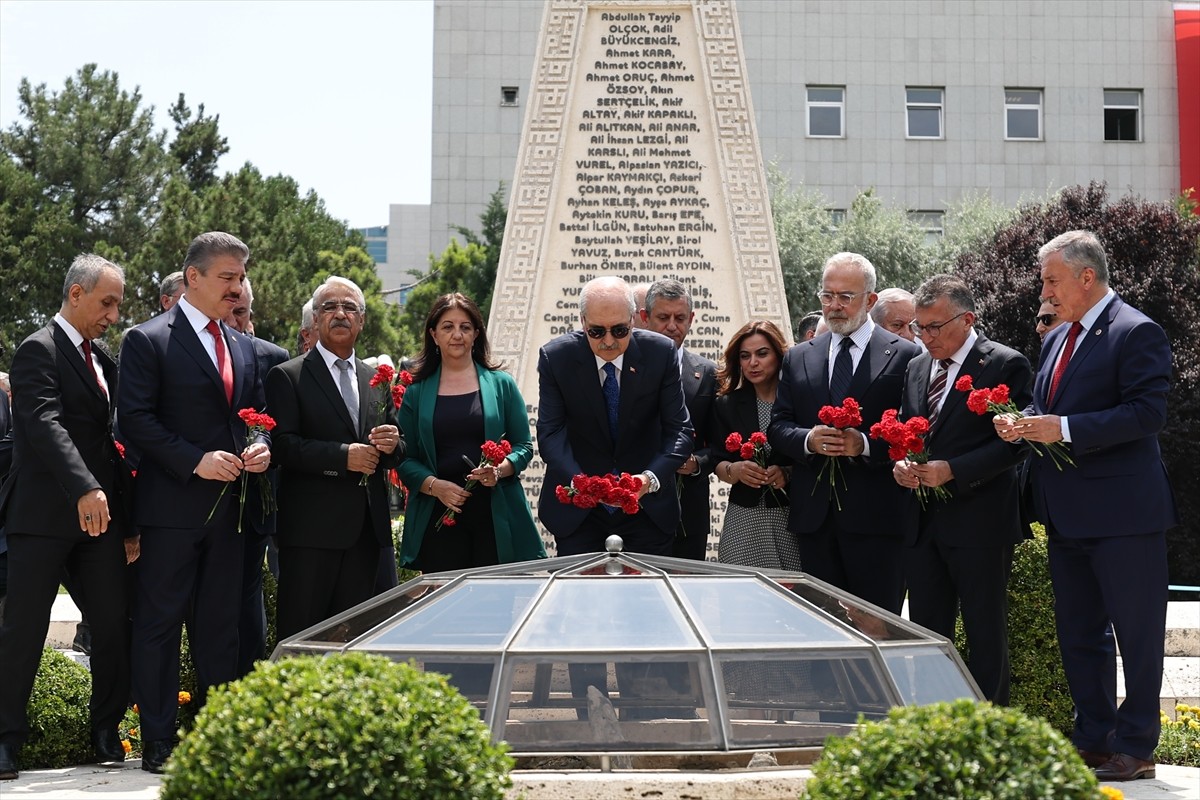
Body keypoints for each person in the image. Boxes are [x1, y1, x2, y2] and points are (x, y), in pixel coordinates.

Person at [994, 230, 1176, 781]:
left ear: (1086, 277)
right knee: (1079, 633)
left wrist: (1064, 428)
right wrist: (1023, 421)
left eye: (1051, 279)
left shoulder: (1136, 330)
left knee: (1137, 636)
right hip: (1066, 511)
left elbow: (1148, 414)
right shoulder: (1056, 338)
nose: (1044, 289)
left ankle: (1137, 746)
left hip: (1124, 516)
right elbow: (1052, 406)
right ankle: (1093, 740)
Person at [117, 231, 272, 773]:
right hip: (169, 512)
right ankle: (158, 741)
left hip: (231, 513)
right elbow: (134, 421)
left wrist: (259, 447)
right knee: (159, 625)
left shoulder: (244, 346)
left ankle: (215, 737)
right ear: (194, 278)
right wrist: (194, 460)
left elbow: (257, 416)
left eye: (241, 277)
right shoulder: (147, 339)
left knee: (220, 628)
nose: (238, 287)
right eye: (228, 277)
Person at [0, 255, 137, 780]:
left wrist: (131, 522)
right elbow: (43, 423)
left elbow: (112, 444)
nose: (113, 314)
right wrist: (85, 487)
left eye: (118, 304)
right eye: (107, 302)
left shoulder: (105, 361)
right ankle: (6, 741)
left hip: (101, 521)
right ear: (76, 294)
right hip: (41, 517)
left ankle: (106, 732)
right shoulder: (37, 349)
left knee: (110, 626)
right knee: (23, 631)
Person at [891, 275, 1031, 703]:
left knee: (985, 633)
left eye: (934, 327)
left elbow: (1018, 442)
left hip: (980, 521)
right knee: (929, 636)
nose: (924, 337)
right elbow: (905, 427)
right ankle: (937, 730)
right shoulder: (917, 365)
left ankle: (990, 733)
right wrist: (901, 463)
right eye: (918, 327)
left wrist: (953, 469)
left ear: (967, 319)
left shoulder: (1005, 364)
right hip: (923, 522)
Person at [768, 252, 920, 613]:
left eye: (845, 297)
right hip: (815, 519)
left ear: (870, 300)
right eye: (827, 296)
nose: (834, 306)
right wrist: (808, 439)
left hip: (878, 518)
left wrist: (864, 444)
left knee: (878, 624)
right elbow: (778, 426)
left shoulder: (906, 356)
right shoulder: (799, 356)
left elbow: (914, 430)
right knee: (823, 627)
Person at [266, 277, 404, 639]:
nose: (340, 314)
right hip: (311, 533)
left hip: (366, 534)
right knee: (304, 638)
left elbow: (397, 450)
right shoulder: (288, 376)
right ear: (314, 320)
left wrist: (393, 445)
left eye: (349, 308)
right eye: (329, 307)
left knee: (361, 638)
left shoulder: (377, 380)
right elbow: (282, 446)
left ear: (362, 320)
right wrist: (343, 457)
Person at [537, 276, 693, 556]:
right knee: (578, 598)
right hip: (580, 512)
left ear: (634, 320)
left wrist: (649, 479)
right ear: (583, 321)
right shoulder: (556, 358)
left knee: (648, 598)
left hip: (647, 510)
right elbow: (550, 433)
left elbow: (680, 430)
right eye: (597, 331)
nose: (609, 341)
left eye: (620, 330)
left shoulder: (660, 353)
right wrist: (581, 483)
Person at [397, 293, 544, 571]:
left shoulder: (502, 385)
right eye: (447, 327)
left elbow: (524, 446)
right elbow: (405, 458)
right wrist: (435, 486)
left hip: (494, 512)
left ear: (476, 334)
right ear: (434, 334)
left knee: (496, 606)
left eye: (465, 327)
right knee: (446, 608)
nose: (457, 335)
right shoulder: (415, 393)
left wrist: (499, 470)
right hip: (439, 512)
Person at [223, 276, 290, 677]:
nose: (233, 319)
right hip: (197, 503)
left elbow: (284, 429)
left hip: (256, 505)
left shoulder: (273, 357)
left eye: (242, 311)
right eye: (228, 309)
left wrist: (265, 447)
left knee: (250, 603)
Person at [710, 320, 797, 569]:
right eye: (745, 356)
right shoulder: (726, 404)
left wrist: (788, 473)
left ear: (779, 356)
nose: (753, 363)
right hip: (744, 517)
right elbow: (716, 459)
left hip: (791, 516)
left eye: (762, 353)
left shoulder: (798, 401)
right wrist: (734, 470)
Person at [641, 279, 717, 560]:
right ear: (645, 318)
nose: (672, 325)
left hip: (688, 513)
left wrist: (698, 463)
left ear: (691, 319)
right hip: (635, 509)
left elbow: (720, 442)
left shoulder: (709, 373)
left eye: (680, 318)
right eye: (663, 317)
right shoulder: (625, 367)